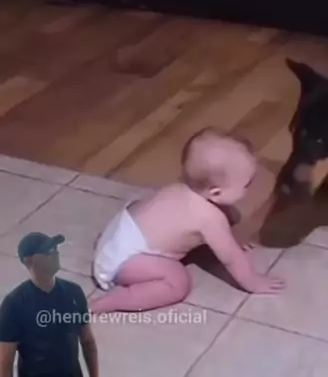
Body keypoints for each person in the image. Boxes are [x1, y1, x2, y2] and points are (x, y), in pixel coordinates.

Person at [90, 128, 285, 313]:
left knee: (228, 216)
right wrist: (253, 281)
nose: (249, 189)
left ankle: (112, 255)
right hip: (125, 262)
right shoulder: (209, 217)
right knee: (177, 282)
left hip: (117, 236)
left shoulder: (178, 189)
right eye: (246, 185)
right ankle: (116, 300)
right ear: (216, 193)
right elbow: (231, 258)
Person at [0, 232, 99, 377]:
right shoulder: (14, 304)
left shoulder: (74, 293)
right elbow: (5, 361)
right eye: (48, 251)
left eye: (55, 249)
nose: (55, 254)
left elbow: (87, 341)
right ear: (29, 261)